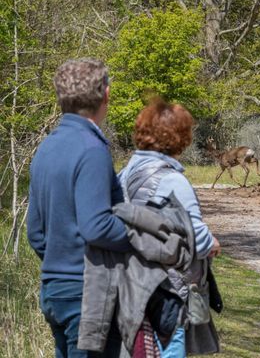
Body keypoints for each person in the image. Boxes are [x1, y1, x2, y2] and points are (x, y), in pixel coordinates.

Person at [27, 58, 131, 357]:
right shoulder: (92, 149)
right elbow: (96, 225)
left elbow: (35, 233)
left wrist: (60, 265)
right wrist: (139, 235)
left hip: (54, 291)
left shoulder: (47, 147)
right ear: (106, 95)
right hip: (87, 295)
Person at [118, 97, 221, 357]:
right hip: (169, 288)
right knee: (171, 344)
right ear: (179, 138)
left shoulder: (125, 173)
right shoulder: (173, 179)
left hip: (132, 284)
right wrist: (212, 243)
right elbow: (195, 234)